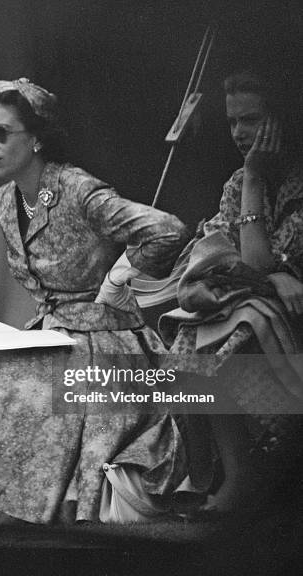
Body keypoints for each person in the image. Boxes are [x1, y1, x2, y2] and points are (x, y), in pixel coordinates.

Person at [0, 78, 190, 526]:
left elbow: (167, 231)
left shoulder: (79, 190)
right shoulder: (4, 200)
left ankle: (5, 504)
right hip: (47, 336)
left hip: (102, 343)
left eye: (2, 133)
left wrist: (121, 274)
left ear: (37, 137)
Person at [160, 69, 303, 516]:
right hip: (262, 307)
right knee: (196, 333)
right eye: (233, 122)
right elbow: (207, 259)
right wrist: (270, 278)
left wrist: (257, 178)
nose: (241, 133)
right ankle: (240, 474)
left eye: (253, 120)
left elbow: (254, 260)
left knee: (237, 326)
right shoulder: (236, 185)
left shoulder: (288, 183)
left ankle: (257, 476)